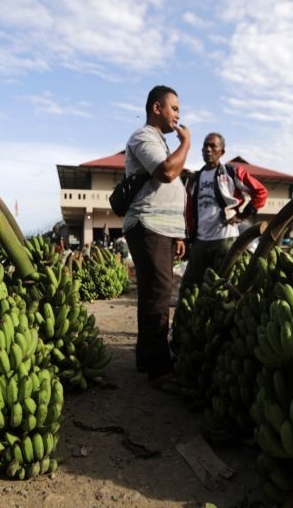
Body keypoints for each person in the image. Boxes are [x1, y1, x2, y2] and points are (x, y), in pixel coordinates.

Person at [122, 85, 191, 386]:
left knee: (152, 293)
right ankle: (161, 369)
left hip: (162, 228)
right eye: (174, 108)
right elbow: (166, 173)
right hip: (148, 225)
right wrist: (186, 143)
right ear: (156, 108)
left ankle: (146, 359)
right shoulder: (144, 137)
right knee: (159, 295)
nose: (178, 114)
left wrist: (178, 234)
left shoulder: (160, 141)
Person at [180, 132, 268, 293]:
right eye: (205, 146)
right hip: (200, 240)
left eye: (213, 146)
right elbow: (189, 210)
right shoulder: (195, 179)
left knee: (221, 286)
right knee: (190, 286)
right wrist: (188, 237)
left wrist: (243, 215)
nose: (208, 149)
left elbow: (260, 192)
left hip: (224, 239)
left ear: (222, 152)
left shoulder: (232, 173)